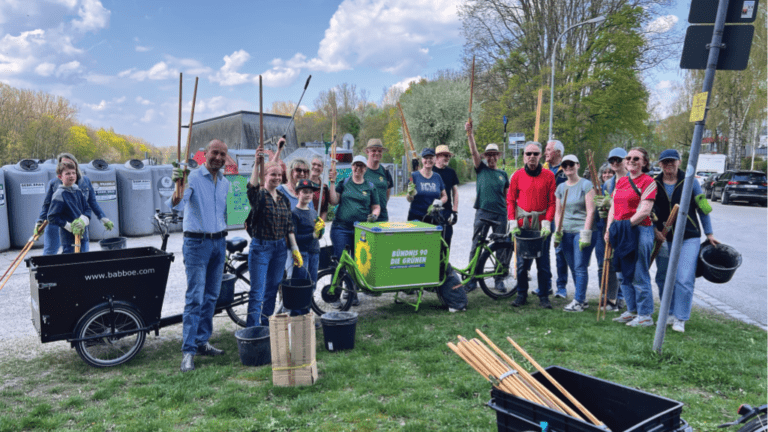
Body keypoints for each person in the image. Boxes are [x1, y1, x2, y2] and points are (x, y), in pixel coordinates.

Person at [170, 139, 231, 372]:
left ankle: (202, 341)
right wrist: (179, 186)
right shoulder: (192, 177)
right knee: (195, 297)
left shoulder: (225, 182)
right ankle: (188, 351)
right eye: (215, 152)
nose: (218, 157)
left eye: (222, 154)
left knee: (211, 296)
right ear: (205, 154)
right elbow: (177, 204)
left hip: (219, 243)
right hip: (197, 243)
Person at [652, 149, 719, 333]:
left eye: (672, 161)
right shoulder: (655, 183)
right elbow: (651, 211)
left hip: (689, 236)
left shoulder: (691, 182)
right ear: (659, 165)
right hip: (665, 237)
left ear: (679, 162)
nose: (668, 165)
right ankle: (669, 312)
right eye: (665, 162)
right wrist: (656, 230)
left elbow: (703, 208)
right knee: (663, 277)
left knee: (684, 278)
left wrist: (709, 233)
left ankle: (681, 318)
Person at [246, 157, 303, 328]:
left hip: (280, 249)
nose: (277, 178)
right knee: (257, 292)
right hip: (261, 248)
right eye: (273, 174)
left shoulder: (283, 199)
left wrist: (294, 249)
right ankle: (252, 330)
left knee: (271, 291)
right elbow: (251, 189)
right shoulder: (260, 197)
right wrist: (256, 164)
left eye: (280, 175)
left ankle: (265, 326)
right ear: (264, 176)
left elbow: (288, 226)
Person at [605, 147, 657, 328]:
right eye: (629, 158)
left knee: (638, 272)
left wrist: (624, 226)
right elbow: (613, 207)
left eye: (636, 158)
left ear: (644, 162)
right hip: (621, 231)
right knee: (621, 272)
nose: (631, 161)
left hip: (640, 230)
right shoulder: (621, 182)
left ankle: (645, 315)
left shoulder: (648, 181)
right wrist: (609, 229)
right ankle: (632, 310)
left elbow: (645, 211)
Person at [507, 142, 556, 309]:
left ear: (540, 155)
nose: (532, 157)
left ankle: (543, 296)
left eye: (535, 154)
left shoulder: (549, 176)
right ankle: (521, 294)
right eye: (529, 154)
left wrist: (547, 222)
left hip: (541, 225)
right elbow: (511, 200)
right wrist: (512, 222)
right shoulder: (517, 176)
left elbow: (552, 202)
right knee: (521, 264)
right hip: (522, 224)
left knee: (543, 264)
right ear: (524, 156)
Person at [328, 155, 380, 306]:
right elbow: (333, 201)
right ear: (352, 167)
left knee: (356, 263)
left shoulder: (370, 186)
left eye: (361, 166)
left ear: (365, 169)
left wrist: (375, 215)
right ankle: (335, 294)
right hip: (341, 228)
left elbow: (376, 206)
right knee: (340, 260)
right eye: (355, 165)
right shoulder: (344, 183)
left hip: (360, 231)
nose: (358, 168)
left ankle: (352, 292)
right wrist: (332, 182)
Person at [36, 153, 113, 254]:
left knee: (82, 250)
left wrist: (103, 218)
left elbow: (91, 203)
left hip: (78, 222)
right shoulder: (54, 183)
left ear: (75, 165)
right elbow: (47, 205)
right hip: (57, 221)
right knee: (51, 250)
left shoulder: (84, 182)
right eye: (63, 164)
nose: (66, 166)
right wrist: (40, 221)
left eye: (70, 164)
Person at [465, 121, 510, 292]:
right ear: (485, 157)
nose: (491, 158)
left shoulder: (503, 174)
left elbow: (507, 196)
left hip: (500, 214)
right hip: (482, 213)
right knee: (476, 245)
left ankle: (499, 279)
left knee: (501, 247)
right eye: (488, 155)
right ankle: (471, 279)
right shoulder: (481, 169)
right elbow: (473, 151)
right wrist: (470, 134)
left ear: (498, 156)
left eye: (494, 155)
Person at [553, 155, 597, 312]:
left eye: (571, 164)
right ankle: (582, 299)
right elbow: (558, 212)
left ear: (578, 165)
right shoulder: (561, 188)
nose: (568, 167)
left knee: (580, 266)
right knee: (572, 265)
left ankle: (578, 301)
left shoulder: (586, 185)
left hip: (580, 231)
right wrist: (558, 230)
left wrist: (585, 233)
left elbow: (591, 211)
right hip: (566, 232)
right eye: (565, 165)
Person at [594, 148, 628, 311]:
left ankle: (620, 298)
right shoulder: (608, 184)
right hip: (608, 229)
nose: (615, 163)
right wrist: (602, 209)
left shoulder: (632, 180)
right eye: (612, 160)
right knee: (605, 263)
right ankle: (607, 296)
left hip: (626, 229)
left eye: (618, 160)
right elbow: (607, 211)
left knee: (621, 264)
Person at [290, 179, 325, 317]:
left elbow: (317, 236)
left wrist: (320, 231)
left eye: (310, 193)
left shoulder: (313, 212)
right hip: (302, 253)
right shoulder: (295, 213)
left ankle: (306, 314)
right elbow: (295, 237)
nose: (308, 195)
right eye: (304, 192)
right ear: (297, 193)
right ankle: (297, 315)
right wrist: (312, 234)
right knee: (300, 286)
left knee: (312, 284)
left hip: (314, 252)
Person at [278, 157, 313, 279]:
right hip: (286, 246)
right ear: (291, 171)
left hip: (305, 247)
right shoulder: (280, 191)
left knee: (304, 280)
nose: (302, 173)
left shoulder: (307, 194)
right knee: (288, 279)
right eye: (298, 170)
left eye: (306, 171)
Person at [543, 140, 570, 298]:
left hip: (560, 216)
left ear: (558, 153)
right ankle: (545, 286)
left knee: (560, 252)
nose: (546, 152)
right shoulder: (542, 168)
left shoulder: (566, 169)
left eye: (548, 150)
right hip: (544, 215)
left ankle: (561, 288)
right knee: (543, 250)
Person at [47, 161, 91, 254]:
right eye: (67, 174)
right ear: (60, 177)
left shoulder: (78, 191)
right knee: (72, 264)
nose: (71, 176)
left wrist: (84, 220)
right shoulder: (59, 194)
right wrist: (68, 226)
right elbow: (52, 217)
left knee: (84, 263)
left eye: (73, 173)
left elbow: (87, 209)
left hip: (83, 236)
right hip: (69, 239)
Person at [406, 148, 448, 223]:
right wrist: (410, 194)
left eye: (431, 158)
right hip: (416, 217)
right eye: (426, 158)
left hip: (433, 217)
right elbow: (409, 199)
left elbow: (445, 196)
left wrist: (438, 203)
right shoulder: (414, 176)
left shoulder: (437, 177)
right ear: (422, 160)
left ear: (435, 160)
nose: (428, 160)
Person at [432, 144, 460, 247]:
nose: (448, 158)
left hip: (447, 211)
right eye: (445, 155)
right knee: (434, 240)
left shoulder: (451, 172)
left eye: (449, 156)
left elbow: (455, 191)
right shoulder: (431, 171)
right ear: (438, 157)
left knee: (447, 238)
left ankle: (444, 262)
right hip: (433, 211)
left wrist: (455, 210)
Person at [364, 139, 394, 222]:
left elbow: (387, 195)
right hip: (364, 217)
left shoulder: (385, 172)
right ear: (367, 152)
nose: (377, 153)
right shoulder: (361, 171)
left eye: (379, 151)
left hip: (382, 217)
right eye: (373, 150)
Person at [309, 155, 330, 221]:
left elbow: (324, 209)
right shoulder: (301, 183)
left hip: (316, 223)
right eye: (314, 164)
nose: (316, 167)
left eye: (319, 165)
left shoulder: (324, 188)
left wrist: (321, 225)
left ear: (322, 169)